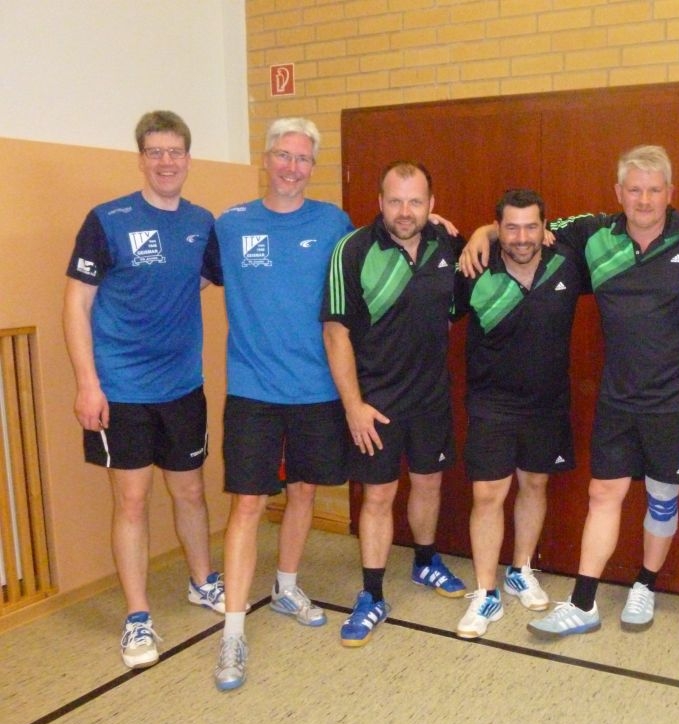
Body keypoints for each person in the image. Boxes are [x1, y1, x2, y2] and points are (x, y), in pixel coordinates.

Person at [461, 145, 679, 639]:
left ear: (670, 192)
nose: (644, 200)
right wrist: (482, 231)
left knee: (662, 496)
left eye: (654, 190)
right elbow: (526, 228)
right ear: (619, 192)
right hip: (618, 397)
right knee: (602, 493)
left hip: (678, 400)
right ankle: (583, 602)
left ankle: (645, 584)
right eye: (634, 190)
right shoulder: (594, 234)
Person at [63, 110, 225, 670]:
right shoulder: (107, 220)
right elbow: (77, 303)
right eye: (155, 152)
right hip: (121, 390)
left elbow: (204, 278)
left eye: (175, 152)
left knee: (191, 492)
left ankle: (202, 582)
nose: (166, 162)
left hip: (182, 387)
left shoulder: (201, 222)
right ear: (141, 158)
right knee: (131, 501)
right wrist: (88, 383)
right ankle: (137, 616)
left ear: (188, 158)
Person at [203, 117, 354, 691]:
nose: (292, 167)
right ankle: (233, 632)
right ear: (266, 159)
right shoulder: (231, 225)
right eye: (283, 156)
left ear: (313, 166)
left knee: (304, 492)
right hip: (253, 390)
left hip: (316, 388)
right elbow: (189, 280)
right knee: (247, 505)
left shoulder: (333, 223)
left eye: (303, 159)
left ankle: (286, 586)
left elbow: (381, 252)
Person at [322, 160, 467, 649]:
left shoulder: (446, 244)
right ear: (380, 202)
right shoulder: (353, 250)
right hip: (376, 403)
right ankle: (372, 594)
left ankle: (425, 561)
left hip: (431, 398)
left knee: (428, 482)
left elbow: (460, 300)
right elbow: (335, 333)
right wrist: (353, 406)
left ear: (431, 204)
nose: (405, 211)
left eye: (415, 201)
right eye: (396, 201)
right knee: (379, 496)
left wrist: (486, 232)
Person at [452, 189, 589, 639]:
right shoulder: (475, 267)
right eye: (511, 228)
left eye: (531, 226)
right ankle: (486, 592)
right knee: (488, 496)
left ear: (545, 227)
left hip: (547, 403)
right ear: (498, 229)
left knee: (534, 485)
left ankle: (521, 569)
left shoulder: (567, 262)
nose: (522, 237)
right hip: (491, 403)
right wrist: (480, 234)